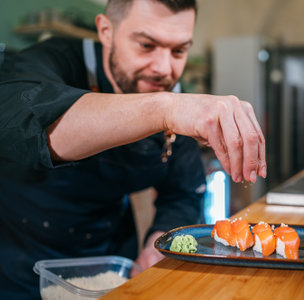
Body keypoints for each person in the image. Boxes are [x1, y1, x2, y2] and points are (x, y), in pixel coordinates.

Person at [0, 0, 266, 298]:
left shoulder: (168, 95)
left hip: (112, 264)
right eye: (146, 45)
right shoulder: (52, 60)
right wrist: (164, 108)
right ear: (106, 31)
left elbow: (182, 191)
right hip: (21, 267)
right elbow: (25, 124)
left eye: (179, 50)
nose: (164, 69)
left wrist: (160, 239)